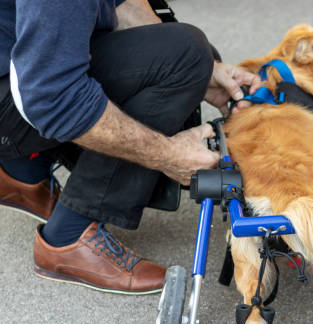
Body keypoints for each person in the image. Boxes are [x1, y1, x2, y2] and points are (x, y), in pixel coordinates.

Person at [0, 0, 260, 294]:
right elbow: (52, 99)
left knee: (185, 53)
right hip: (25, 92)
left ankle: (21, 172)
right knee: (185, 57)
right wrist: (167, 154)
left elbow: (118, 4)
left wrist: (207, 69)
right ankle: (69, 236)